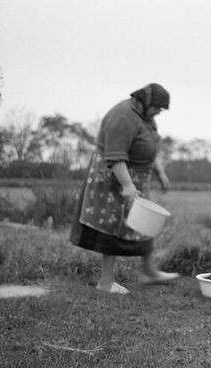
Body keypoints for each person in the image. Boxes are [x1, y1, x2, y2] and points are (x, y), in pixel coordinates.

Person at [70, 83, 180, 294]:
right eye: (158, 107)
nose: (159, 112)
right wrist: (128, 186)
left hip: (134, 179)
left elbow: (150, 148)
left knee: (144, 224)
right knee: (112, 229)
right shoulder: (123, 116)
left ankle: (149, 271)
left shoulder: (146, 118)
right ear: (145, 101)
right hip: (113, 178)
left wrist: (160, 172)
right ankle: (106, 281)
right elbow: (115, 156)